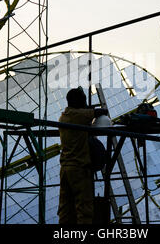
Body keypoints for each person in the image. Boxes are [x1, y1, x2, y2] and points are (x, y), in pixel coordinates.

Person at [57, 87, 108, 224]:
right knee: (84, 209)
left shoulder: (64, 116)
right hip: (79, 168)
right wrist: (89, 110)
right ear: (80, 102)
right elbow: (102, 112)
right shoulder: (79, 115)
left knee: (65, 208)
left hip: (65, 168)